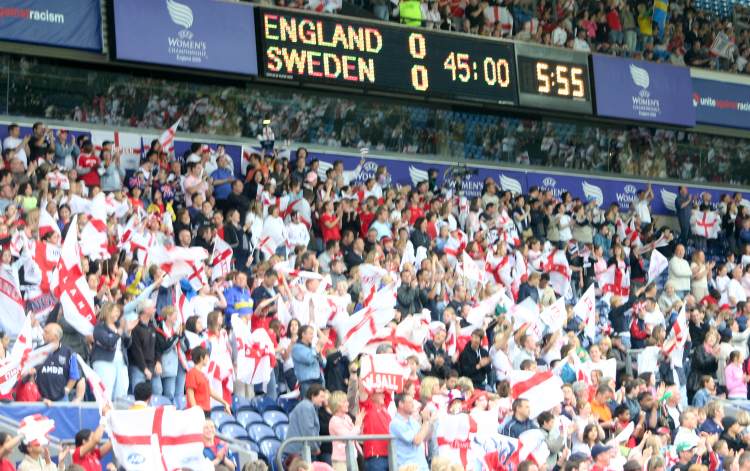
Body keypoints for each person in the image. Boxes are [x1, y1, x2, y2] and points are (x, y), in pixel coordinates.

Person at [35, 323, 85, 403]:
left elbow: (75, 375)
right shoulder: (37, 351)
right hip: (41, 400)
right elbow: (31, 373)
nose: (42, 333)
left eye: (46, 332)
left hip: (61, 400)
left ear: (55, 336)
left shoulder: (69, 353)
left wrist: (67, 389)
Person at [389, 393, 434, 471]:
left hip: (422, 467)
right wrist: (425, 422)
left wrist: (430, 421)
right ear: (401, 404)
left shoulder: (413, 421)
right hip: (408, 468)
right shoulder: (395, 423)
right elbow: (417, 440)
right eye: (410, 402)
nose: (413, 405)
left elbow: (426, 437)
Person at [284, 384, 327, 464]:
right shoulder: (306, 407)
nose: (324, 400)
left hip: (302, 450)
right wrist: (315, 448)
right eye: (321, 396)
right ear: (313, 396)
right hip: (299, 451)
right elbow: (308, 431)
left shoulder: (308, 406)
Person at [185, 346, 230, 417]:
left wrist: (224, 403)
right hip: (197, 411)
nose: (208, 359)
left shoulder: (203, 374)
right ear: (201, 358)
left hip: (207, 410)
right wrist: (195, 411)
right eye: (206, 357)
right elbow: (190, 394)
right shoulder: (192, 373)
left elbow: (210, 391)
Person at [328, 391, 365, 471]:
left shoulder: (347, 417)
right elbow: (348, 437)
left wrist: (360, 423)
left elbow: (356, 433)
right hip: (341, 460)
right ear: (337, 404)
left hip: (353, 456)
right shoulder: (334, 421)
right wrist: (357, 424)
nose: (348, 404)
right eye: (345, 402)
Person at [292, 325, 326, 399]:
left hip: (319, 381)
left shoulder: (312, 348)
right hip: (307, 384)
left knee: (318, 408)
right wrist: (318, 347)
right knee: (309, 406)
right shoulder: (296, 348)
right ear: (303, 334)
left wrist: (319, 353)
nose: (312, 336)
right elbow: (309, 359)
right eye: (310, 333)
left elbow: (324, 363)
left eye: (313, 334)